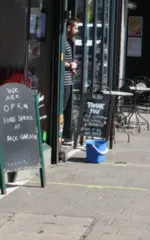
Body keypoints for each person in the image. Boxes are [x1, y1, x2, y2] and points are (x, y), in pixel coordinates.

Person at [62, 18, 79, 146]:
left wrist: (73, 65)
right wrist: (70, 65)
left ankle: (65, 136)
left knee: (67, 109)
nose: (77, 31)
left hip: (69, 79)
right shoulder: (63, 41)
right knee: (61, 108)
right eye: (75, 28)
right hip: (63, 81)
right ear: (68, 28)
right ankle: (60, 136)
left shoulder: (69, 41)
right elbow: (60, 59)